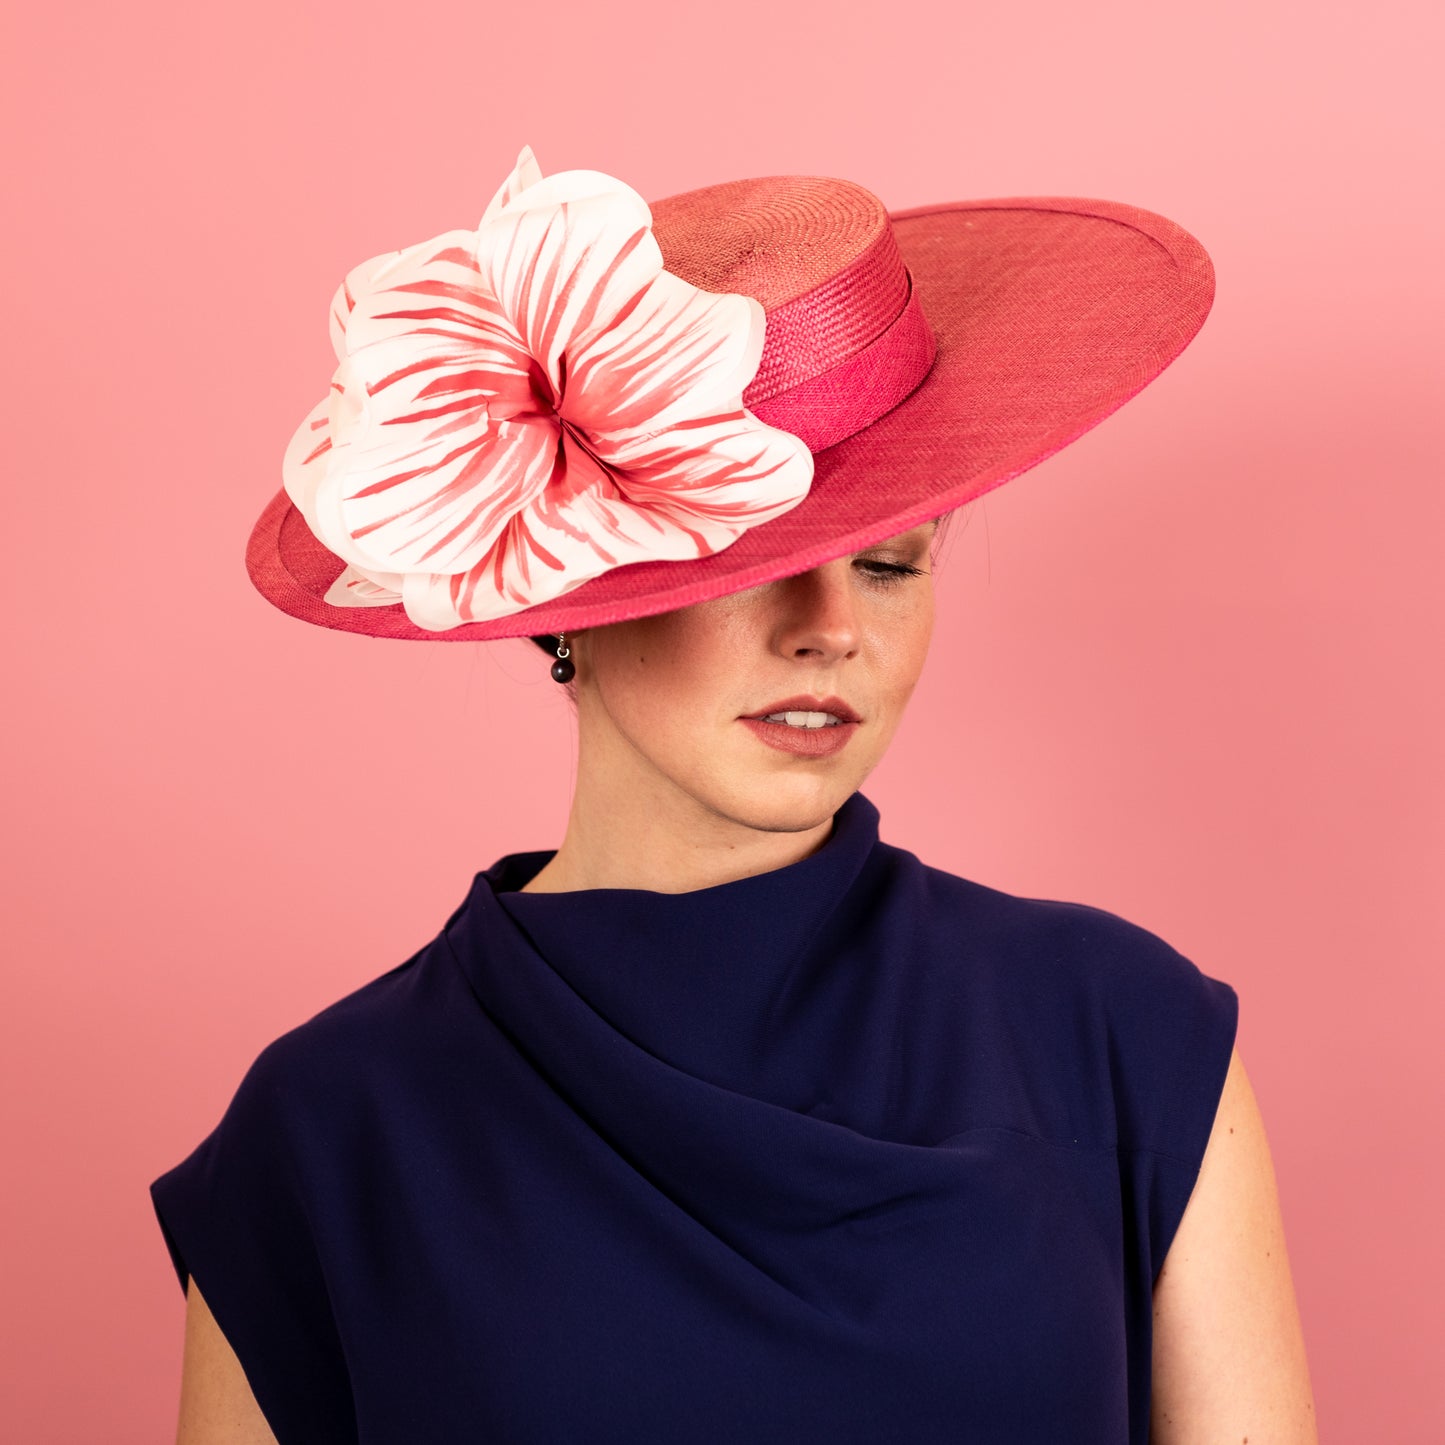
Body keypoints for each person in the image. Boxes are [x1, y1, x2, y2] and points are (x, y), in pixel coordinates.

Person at [150, 146, 1318, 1443]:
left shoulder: (1121, 1030)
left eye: (887, 561)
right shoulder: (331, 1128)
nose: (830, 629)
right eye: (749, 559)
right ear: (565, 603)